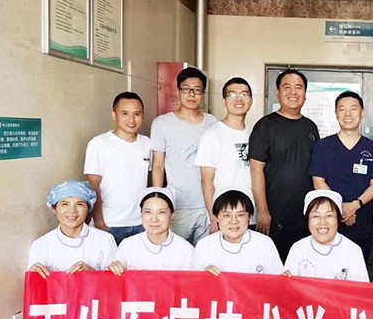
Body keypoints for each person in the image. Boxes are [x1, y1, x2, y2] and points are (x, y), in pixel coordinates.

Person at [249, 69, 319, 261]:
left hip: (305, 215)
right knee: (275, 268)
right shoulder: (265, 126)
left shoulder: (310, 127)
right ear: (277, 93)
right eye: (287, 87)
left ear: (305, 94)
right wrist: (262, 210)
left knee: (302, 266)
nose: (293, 92)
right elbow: (256, 170)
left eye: (298, 87)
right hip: (274, 216)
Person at [310, 91, 373, 262]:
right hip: (329, 221)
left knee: (358, 268)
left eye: (353, 109)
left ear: (362, 113)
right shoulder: (323, 146)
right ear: (336, 114)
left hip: (362, 221)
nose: (348, 114)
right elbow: (318, 181)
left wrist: (355, 206)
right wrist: (340, 207)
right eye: (342, 109)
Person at [150, 67, 218, 245]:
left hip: (207, 205)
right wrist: (158, 200)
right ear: (178, 91)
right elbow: (158, 166)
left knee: (204, 257)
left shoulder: (213, 123)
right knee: (176, 256)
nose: (191, 94)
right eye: (186, 89)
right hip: (176, 205)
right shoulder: (162, 124)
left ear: (203, 94)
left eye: (197, 90)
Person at [84, 91, 151, 246]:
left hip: (141, 223)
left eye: (137, 114)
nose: (131, 120)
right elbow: (93, 186)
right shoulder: (99, 143)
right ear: (114, 115)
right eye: (125, 114)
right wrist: (99, 222)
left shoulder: (147, 143)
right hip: (110, 223)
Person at [195, 77, 254, 232]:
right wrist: (213, 218)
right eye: (232, 94)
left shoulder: (255, 134)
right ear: (224, 101)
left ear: (251, 100)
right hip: (225, 216)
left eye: (244, 94)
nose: (239, 99)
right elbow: (206, 180)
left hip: (250, 214)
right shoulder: (213, 135)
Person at [28, 181, 117, 278]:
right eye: (65, 204)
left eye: (79, 204)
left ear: (88, 209)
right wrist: (33, 274)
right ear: (54, 209)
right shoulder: (41, 245)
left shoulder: (105, 240)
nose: (72, 210)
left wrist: (92, 273)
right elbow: (35, 284)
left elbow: (115, 281)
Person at [195, 187, 283, 276]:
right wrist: (203, 275)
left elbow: (277, 280)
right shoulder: (204, 245)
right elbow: (193, 280)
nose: (234, 221)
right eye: (227, 215)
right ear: (217, 218)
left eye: (240, 215)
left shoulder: (264, 243)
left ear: (249, 217)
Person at [284, 190, 368, 282]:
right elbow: (288, 285)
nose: (322, 222)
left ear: (338, 219)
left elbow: (360, 289)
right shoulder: (298, 248)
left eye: (329, 216)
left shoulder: (353, 251)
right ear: (308, 220)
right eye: (316, 216)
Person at [108, 187, 195, 273]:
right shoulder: (127, 245)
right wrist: (114, 269)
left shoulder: (186, 250)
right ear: (141, 214)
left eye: (161, 212)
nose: (154, 219)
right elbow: (117, 277)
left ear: (172, 216)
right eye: (148, 212)